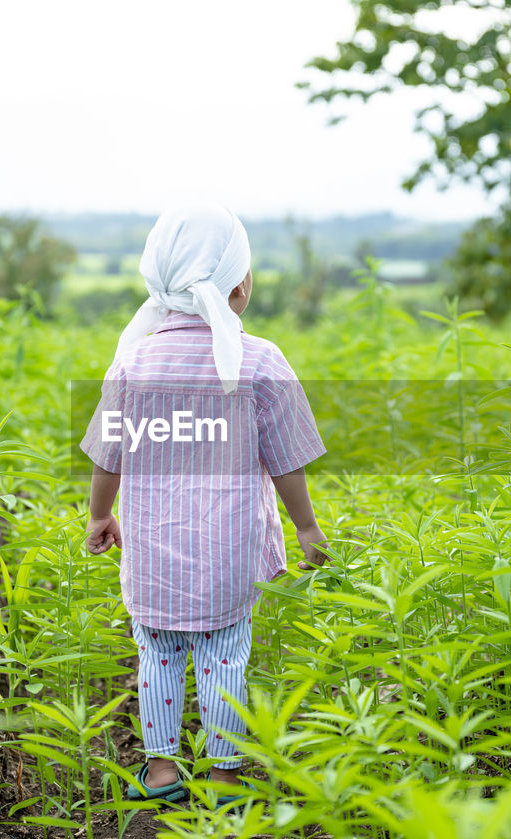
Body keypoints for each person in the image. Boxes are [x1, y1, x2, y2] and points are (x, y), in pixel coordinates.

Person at [79, 204, 326, 805]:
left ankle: (162, 772)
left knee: (157, 656)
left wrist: (99, 515)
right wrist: (308, 528)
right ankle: (224, 776)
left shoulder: (133, 361)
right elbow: (286, 462)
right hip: (229, 551)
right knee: (225, 660)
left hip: (155, 550)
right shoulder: (259, 360)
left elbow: (108, 454)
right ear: (240, 285)